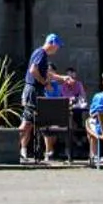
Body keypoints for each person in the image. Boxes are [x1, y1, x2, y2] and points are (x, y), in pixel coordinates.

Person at [19, 33, 72, 162]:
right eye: (57, 46)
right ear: (52, 43)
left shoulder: (42, 55)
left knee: (31, 122)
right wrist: (44, 82)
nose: (57, 49)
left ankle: (23, 151)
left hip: (35, 91)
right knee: (27, 122)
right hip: (33, 91)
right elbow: (33, 70)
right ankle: (12, 148)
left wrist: (62, 78)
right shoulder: (41, 53)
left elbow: (47, 73)